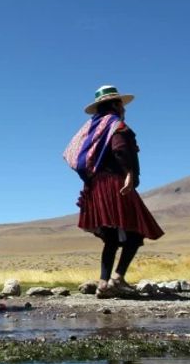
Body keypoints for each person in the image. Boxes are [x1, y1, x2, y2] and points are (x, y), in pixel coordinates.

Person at [64, 86, 164, 298]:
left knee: (111, 237)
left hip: (95, 185)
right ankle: (117, 279)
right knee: (135, 232)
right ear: (116, 105)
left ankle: (103, 282)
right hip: (114, 183)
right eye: (121, 105)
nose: (124, 109)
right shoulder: (116, 125)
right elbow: (119, 148)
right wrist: (129, 173)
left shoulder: (92, 128)